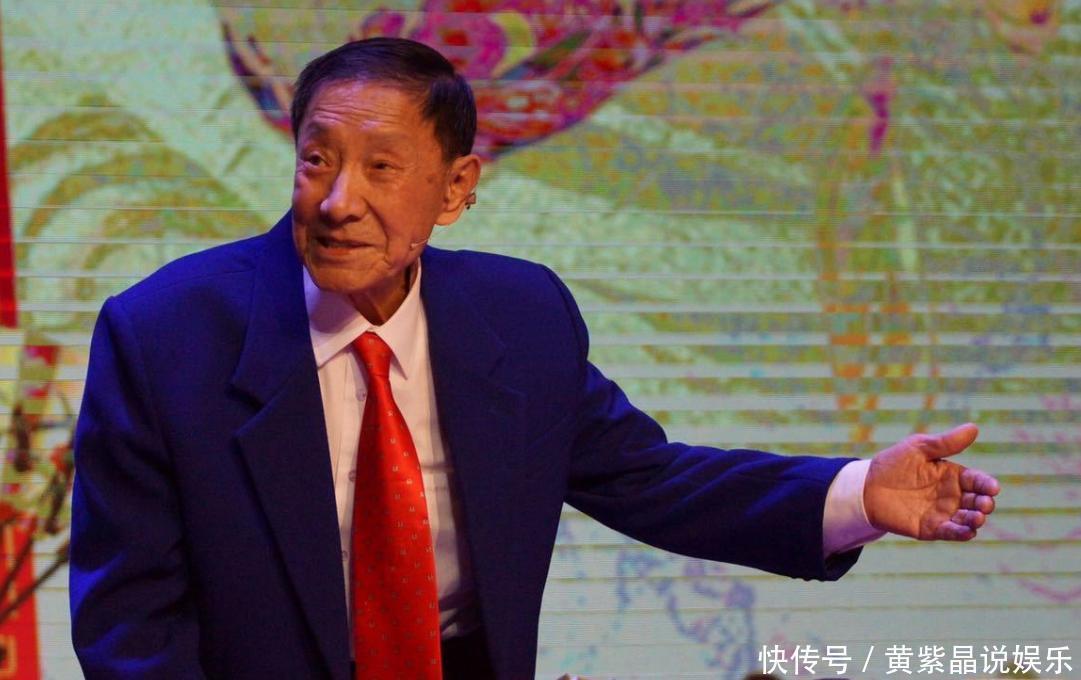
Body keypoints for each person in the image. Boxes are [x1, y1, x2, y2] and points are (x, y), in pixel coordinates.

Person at [68, 38, 1000, 680]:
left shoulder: (517, 317)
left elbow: (651, 481)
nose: (339, 200)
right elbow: (128, 620)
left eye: (381, 167)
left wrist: (855, 493)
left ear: (456, 188)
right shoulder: (166, 336)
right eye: (317, 160)